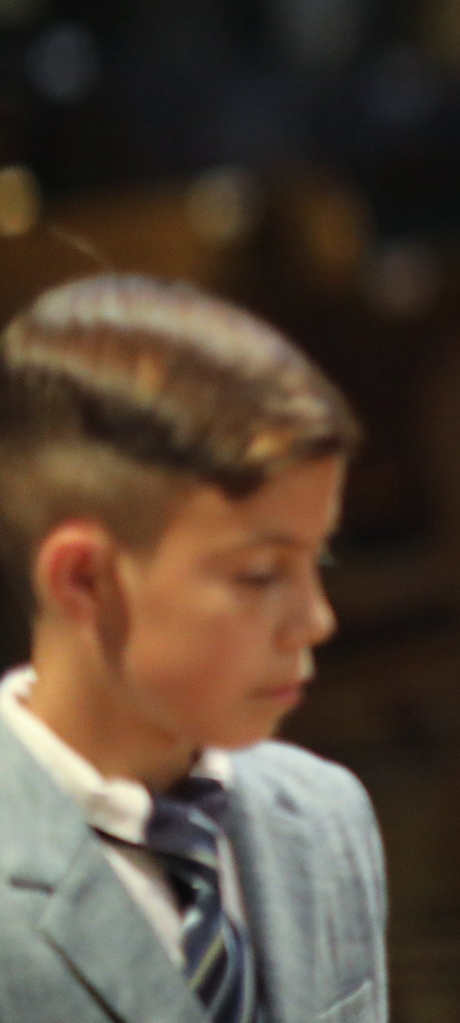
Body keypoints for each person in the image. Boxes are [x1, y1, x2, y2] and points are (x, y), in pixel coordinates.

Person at [0, 274, 388, 1023]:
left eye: (320, 560)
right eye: (261, 573)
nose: (316, 618)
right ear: (84, 578)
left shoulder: (326, 816)